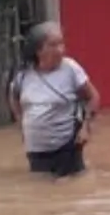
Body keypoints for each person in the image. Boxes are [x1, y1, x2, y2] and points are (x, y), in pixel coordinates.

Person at [8, 21, 102, 178]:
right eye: (53, 45)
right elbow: (13, 96)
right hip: (36, 149)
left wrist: (86, 127)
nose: (60, 50)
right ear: (38, 50)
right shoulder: (23, 74)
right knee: (40, 187)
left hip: (67, 145)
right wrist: (21, 123)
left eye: (61, 44)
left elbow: (93, 97)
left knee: (70, 185)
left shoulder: (70, 68)